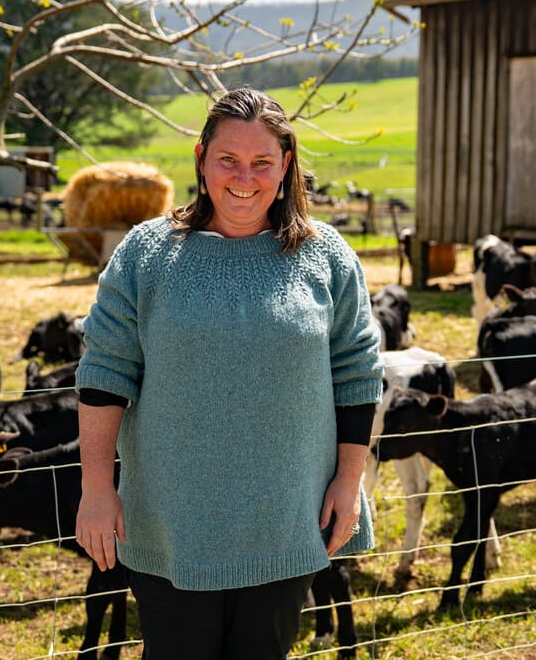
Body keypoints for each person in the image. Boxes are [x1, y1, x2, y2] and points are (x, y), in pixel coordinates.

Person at [74, 87, 384, 659]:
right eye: (228, 160)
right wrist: (96, 488)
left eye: (262, 162)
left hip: (286, 519)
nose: (245, 177)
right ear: (200, 158)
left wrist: (349, 480)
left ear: (286, 164)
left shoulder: (328, 257)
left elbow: (358, 375)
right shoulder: (147, 254)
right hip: (171, 523)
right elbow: (104, 373)